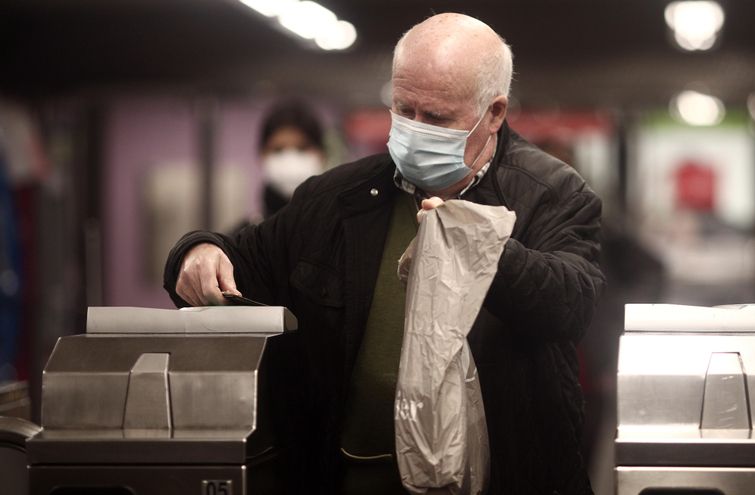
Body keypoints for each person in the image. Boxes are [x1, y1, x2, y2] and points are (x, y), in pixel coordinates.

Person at [164, 13, 603, 495]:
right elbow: (245, 259)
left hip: (502, 478)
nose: (415, 130)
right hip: (352, 475)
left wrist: (485, 249)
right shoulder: (336, 199)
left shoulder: (551, 194)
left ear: (493, 113)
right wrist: (197, 250)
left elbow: (572, 303)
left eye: (435, 117)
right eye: (403, 109)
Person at [256, 99, 327, 220]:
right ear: (261, 154)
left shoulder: (344, 233)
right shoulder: (244, 236)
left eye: (302, 148)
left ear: (322, 154)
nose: (290, 159)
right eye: (278, 150)